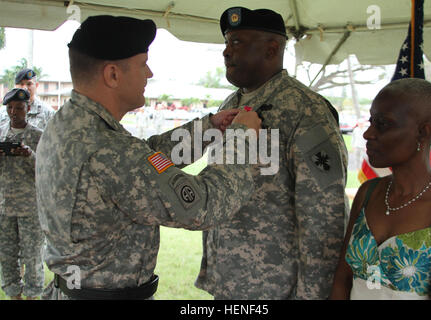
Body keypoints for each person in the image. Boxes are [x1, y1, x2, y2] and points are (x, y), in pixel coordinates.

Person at [35, 15, 261, 300]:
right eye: (143, 64)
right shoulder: (108, 150)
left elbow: (144, 158)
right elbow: (203, 205)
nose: (150, 73)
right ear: (113, 75)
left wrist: (208, 129)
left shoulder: (69, 124)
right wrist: (242, 138)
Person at [194, 7, 348, 299]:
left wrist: (313, 295)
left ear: (272, 48)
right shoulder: (231, 103)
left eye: (237, 42)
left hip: (276, 287)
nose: (226, 52)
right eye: (226, 43)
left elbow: (324, 215)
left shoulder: (307, 110)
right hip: (230, 280)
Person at [330, 78, 431, 300]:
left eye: (383, 124)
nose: (368, 134)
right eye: (372, 122)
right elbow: (342, 280)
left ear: (423, 132)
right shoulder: (369, 193)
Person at [0, 88, 44, 300]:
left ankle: (33, 296)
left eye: (19, 107)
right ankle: (13, 295)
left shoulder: (38, 136)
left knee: (33, 256)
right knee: (6, 256)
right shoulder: (1, 132)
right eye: (10, 108)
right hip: (4, 206)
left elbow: (47, 172)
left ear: (28, 108)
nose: (14, 112)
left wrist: (29, 154)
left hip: (30, 208)